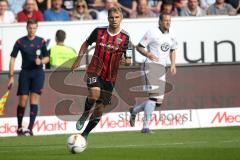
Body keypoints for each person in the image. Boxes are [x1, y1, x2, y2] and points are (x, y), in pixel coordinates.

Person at [71, 6, 131, 139]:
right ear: (108, 18)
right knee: (94, 94)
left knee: (99, 109)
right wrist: (78, 60)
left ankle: (84, 134)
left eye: (117, 17)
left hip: (110, 77)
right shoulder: (99, 32)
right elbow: (86, 43)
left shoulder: (126, 37)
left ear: (121, 18)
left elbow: (129, 60)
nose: (114, 20)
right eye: (111, 17)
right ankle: (85, 113)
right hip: (94, 69)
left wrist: (125, 61)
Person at [129, 13, 177, 133]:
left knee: (158, 102)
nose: (168, 23)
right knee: (154, 97)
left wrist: (173, 64)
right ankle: (145, 127)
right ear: (160, 22)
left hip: (162, 68)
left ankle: (134, 111)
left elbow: (173, 50)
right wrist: (148, 54)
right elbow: (139, 47)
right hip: (151, 65)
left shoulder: (172, 34)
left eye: (169, 20)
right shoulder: (152, 32)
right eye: (165, 20)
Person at [8, 19, 49, 136]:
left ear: (37, 28)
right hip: (25, 73)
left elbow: (47, 58)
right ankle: (20, 127)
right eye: (30, 28)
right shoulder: (20, 42)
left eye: (34, 28)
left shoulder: (41, 41)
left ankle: (30, 128)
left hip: (38, 73)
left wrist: (40, 61)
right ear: (27, 28)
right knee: (23, 100)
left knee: (34, 100)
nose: (32, 30)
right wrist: (11, 76)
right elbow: (12, 58)